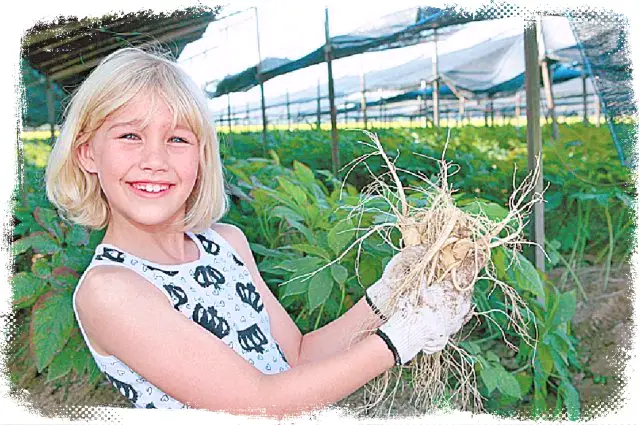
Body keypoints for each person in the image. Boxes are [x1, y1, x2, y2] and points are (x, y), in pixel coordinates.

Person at [44, 47, 471, 418]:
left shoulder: (224, 244)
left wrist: (384, 299)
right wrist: (399, 339)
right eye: (130, 135)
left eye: (177, 139)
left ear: (201, 157)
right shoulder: (111, 290)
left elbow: (297, 357)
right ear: (87, 153)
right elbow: (257, 402)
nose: (154, 159)